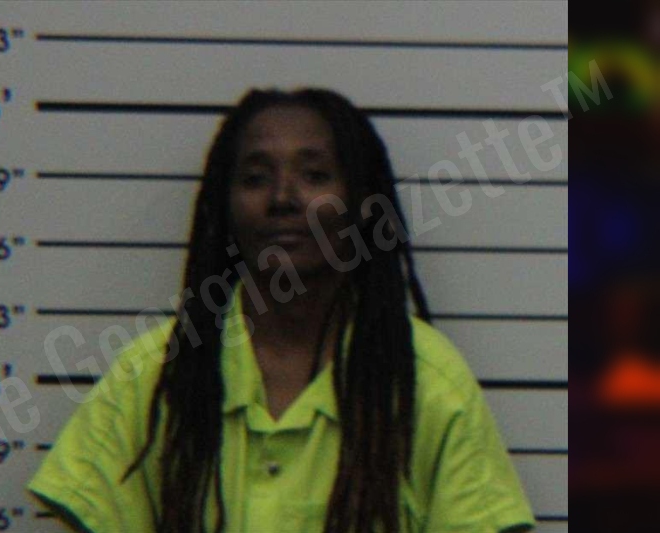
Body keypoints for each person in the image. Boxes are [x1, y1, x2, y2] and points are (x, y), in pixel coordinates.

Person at [27, 88, 535, 533]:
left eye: (314, 175)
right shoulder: (153, 376)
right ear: (223, 205)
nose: (283, 198)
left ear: (361, 200)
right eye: (255, 178)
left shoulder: (426, 384)